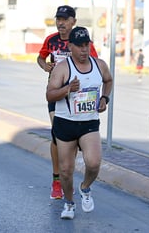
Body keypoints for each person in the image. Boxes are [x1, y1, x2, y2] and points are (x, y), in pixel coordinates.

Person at [46, 26, 113, 219]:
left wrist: (104, 99)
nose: (84, 50)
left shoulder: (99, 65)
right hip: (65, 123)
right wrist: (67, 89)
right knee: (66, 171)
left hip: (89, 123)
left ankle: (85, 187)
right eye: (80, 46)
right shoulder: (62, 68)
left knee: (93, 163)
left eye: (87, 45)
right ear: (70, 46)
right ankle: (68, 203)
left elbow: (108, 81)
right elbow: (49, 95)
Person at [37, 5, 98, 200]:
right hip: (57, 95)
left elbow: (95, 65)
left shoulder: (82, 42)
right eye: (58, 19)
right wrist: (45, 65)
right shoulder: (51, 40)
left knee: (75, 140)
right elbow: (40, 57)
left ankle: (67, 175)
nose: (60, 23)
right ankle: (57, 179)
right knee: (57, 134)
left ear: (73, 21)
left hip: (79, 96)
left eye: (64, 19)